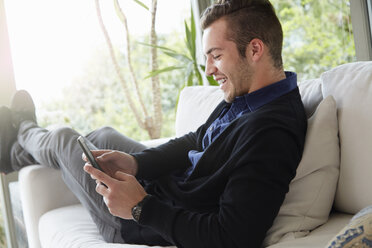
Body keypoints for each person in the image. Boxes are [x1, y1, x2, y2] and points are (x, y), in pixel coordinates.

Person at [0, 0, 307, 247]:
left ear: (255, 50)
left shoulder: (271, 133)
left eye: (216, 56)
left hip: (136, 222)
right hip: (163, 186)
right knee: (103, 134)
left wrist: (140, 207)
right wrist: (136, 163)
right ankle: (16, 151)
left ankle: (23, 130)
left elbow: (232, 236)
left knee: (63, 139)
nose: (209, 70)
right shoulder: (248, 96)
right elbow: (196, 140)